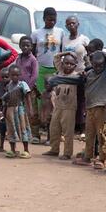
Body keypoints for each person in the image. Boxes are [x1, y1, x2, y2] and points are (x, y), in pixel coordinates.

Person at [31, 7, 64, 135]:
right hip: (41, 69)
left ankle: (52, 126)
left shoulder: (60, 32)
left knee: (54, 98)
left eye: (54, 20)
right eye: (49, 20)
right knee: (41, 97)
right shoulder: (36, 33)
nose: (51, 22)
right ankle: (40, 123)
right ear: (44, 19)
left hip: (55, 69)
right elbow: (33, 52)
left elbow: (61, 51)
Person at [44, 52, 82, 159]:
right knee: (54, 128)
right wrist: (67, 52)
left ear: (75, 65)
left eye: (71, 64)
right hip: (58, 105)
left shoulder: (76, 76)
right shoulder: (60, 72)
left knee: (68, 131)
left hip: (69, 107)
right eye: (66, 63)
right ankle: (54, 149)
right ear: (62, 64)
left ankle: (67, 153)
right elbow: (56, 57)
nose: (68, 66)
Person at [0, 64, 33, 159]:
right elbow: (5, 100)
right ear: (9, 75)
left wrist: (30, 109)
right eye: (13, 75)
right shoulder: (9, 86)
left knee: (23, 128)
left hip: (20, 110)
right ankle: (13, 149)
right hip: (9, 111)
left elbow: (28, 97)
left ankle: (26, 150)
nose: (15, 77)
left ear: (20, 75)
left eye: (17, 75)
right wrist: (3, 111)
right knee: (11, 129)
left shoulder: (23, 84)